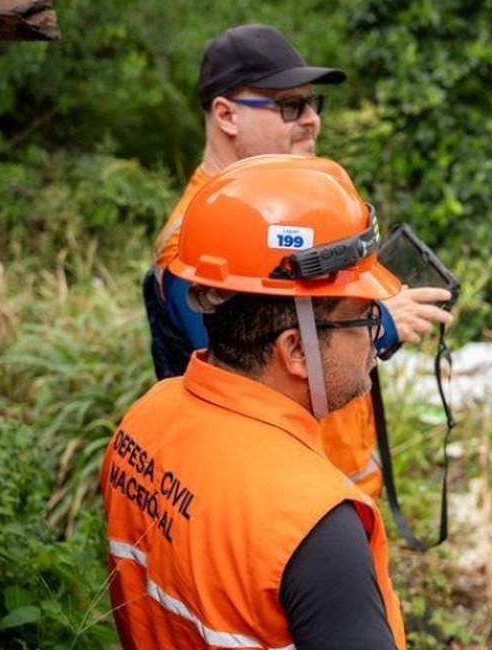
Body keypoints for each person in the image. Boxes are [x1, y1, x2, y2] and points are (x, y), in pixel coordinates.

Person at [104, 155, 406, 649]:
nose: (375, 341)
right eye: (364, 319)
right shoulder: (315, 525)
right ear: (294, 349)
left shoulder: (144, 420)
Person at [143, 23, 452, 497]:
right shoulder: (193, 243)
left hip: (335, 481)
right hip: (282, 500)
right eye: (290, 105)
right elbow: (251, 375)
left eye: (313, 103)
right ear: (226, 114)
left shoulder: (279, 210)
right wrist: (379, 324)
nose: (312, 119)